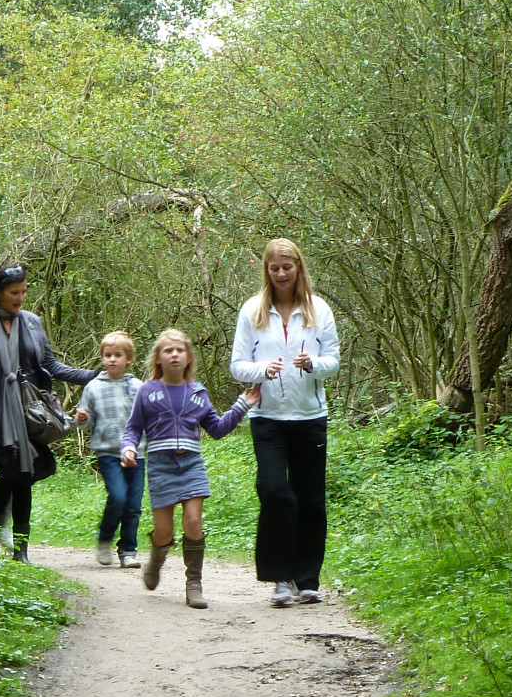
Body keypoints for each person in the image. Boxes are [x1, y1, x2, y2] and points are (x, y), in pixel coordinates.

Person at [0, 264, 98, 562]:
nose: (20, 298)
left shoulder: (32, 322)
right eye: (14, 293)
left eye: (24, 292)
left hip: (26, 415)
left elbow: (51, 366)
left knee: (22, 476)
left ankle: (22, 551)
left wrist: (92, 375)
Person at [229, 237, 341, 608]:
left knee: (310, 498)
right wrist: (263, 369)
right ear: (267, 270)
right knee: (276, 492)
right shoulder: (252, 310)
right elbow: (237, 366)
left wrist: (314, 364)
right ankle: (281, 577)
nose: (280, 274)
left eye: (287, 267)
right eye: (274, 268)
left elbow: (334, 362)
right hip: (268, 419)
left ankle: (307, 579)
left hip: (310, 416)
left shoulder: (318, 309)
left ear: (298, 268)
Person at [120, 329, 260, 609]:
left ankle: (193, 583)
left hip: (191, 464)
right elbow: (133, 428)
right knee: (164, 532)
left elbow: (217, 429)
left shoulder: (197, 393)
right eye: (168, 350)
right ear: (158, 358)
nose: (174, 354)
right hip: (160, 466)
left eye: (180, 350)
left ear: (188, 357)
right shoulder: (147, 392)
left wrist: (242, 405)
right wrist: (128, 448)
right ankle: (156, 561)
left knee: (194, 522)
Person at [75, 331, 143, 569]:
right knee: (118, 496)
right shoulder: (93, 387)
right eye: (107, 355)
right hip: (108, 452)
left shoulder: (138, 387)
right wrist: (82, 418)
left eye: (117, 355)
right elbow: (85, 422)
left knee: (134, 504)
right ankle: (105, 538)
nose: (112, 359)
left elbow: (147, 419)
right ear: (102, 358)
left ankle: (128, 550)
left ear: (129, 359)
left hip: (137, 453)